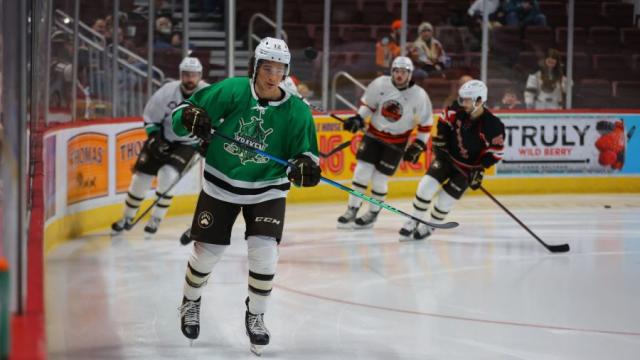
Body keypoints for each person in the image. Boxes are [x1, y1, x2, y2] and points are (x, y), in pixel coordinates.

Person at [171, 37, 320, 355]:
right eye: (267, 67)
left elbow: (307, 155)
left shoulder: (297, 111)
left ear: (286, 71)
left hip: (268, 189)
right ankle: (190, 301)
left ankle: (256, 316)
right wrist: (187, 119)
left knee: (265, 254)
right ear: (255, 67)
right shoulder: (233, 90)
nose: (272, 76)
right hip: (221, 184)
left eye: (279, 69)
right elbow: (183, 113)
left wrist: (307, 167)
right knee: (207, 253)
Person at [110, 57, 208, 235]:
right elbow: (151, 117)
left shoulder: (208, 93)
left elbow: (219, 120)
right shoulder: (168, 91)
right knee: (141, 179)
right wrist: (155, 138)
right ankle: (127, 216)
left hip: (188, 143)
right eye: (186, 74)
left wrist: (208, 141)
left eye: (193, 75)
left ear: (200, 75)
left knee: (168, 175)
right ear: (180, 75)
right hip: (163, 137)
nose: (190, 79)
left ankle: (156, 218)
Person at [399, 80, 505, 241]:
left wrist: (480, 168)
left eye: (467, 100)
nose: (463, 103)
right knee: (425, 187)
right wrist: (441, 140)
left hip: (467, 170)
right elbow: (443, 123)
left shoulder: (494, 125)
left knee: (444, 202)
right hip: (448, 158)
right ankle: (415, 219)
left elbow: (496, 153)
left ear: (479, 100)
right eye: (462, 99)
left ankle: (431, 225)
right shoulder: (457, 108)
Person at [336, 56, 434, 230]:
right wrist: (359, 118)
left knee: (380, 179)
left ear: (410, 74)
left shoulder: (419, 95)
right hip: (373, 136)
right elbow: (369, 106)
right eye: (396, 71)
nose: (399, 75)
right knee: (361, 173)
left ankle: (373, 213)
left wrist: (418, 145)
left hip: (396, 143)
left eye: (403, 72)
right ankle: (352, 209)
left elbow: (426, 125)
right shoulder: (380, 84)